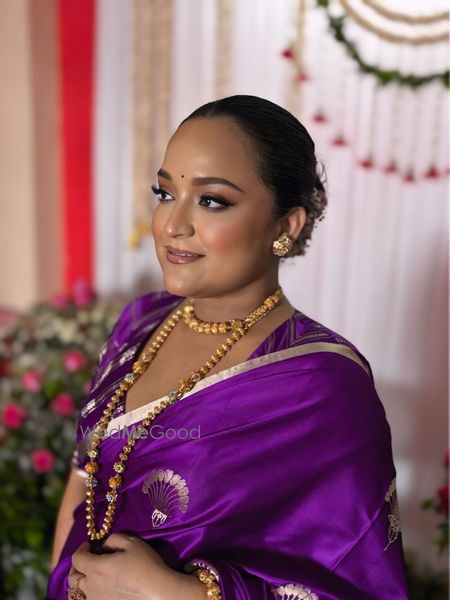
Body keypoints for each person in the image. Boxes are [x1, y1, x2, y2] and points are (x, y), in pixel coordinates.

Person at [47, 95, 409, 600]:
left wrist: (170, 593)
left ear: (285, 226)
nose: (172, 224)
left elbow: (356, 584)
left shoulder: (322, 383)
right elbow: (84, 483)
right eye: (165, 192)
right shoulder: (140, 323)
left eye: (212, 201)